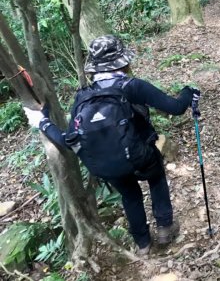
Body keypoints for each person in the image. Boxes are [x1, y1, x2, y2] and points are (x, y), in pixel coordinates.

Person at [24, 35, 199, 255]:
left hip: (104, 165)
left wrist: (43, 122)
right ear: (122, 62)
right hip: (139, 156)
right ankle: (164, 227)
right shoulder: (131, 86)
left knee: (130, 195)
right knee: (155, 176)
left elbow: (70, 139)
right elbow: (174, 108)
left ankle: (143, 244)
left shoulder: (83, 96)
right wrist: (188, 92)